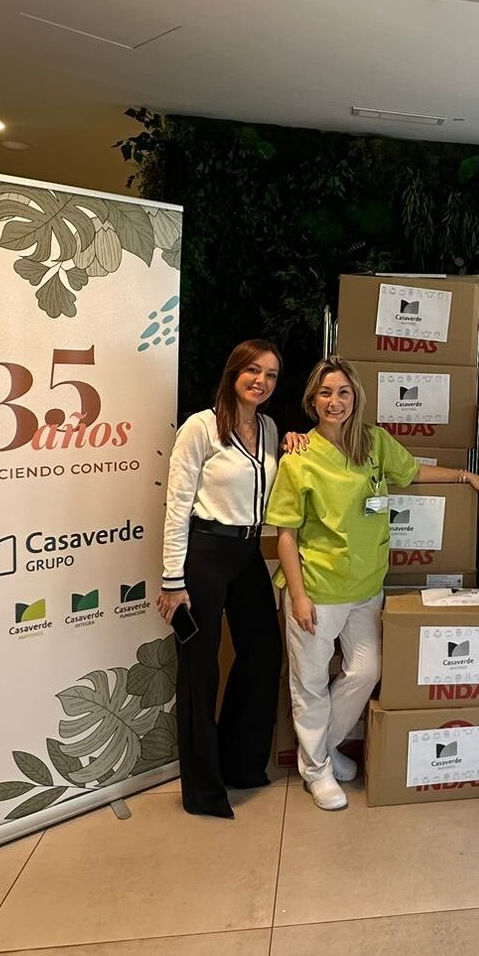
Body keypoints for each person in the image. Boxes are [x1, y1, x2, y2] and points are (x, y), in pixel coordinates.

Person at [265, 356, 479, 811]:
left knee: (367, 669)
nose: (335, 402)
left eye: (343, 392)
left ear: (356, 397)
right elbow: (285, 534)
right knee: (309, 682)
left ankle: (322, 750)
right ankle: (317, 771)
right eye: (325, 393)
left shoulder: (374, 443)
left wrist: (463, 475)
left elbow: (412, 472)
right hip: (317, 588)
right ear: (312, 400)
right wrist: (299, 596)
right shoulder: (300, 458)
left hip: (367, 586)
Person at [157, 339, 286, 819]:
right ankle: (203, 790)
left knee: (264, 653)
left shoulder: (269, 428)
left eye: (271, 374)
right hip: (205, 554)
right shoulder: (201, 426)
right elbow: (177, 505)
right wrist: (173, 580)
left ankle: (241, 764)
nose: (261, 381)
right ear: (233, 373)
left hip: (248, 553)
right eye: (253, 370)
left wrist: (295, 444)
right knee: (200, 670)